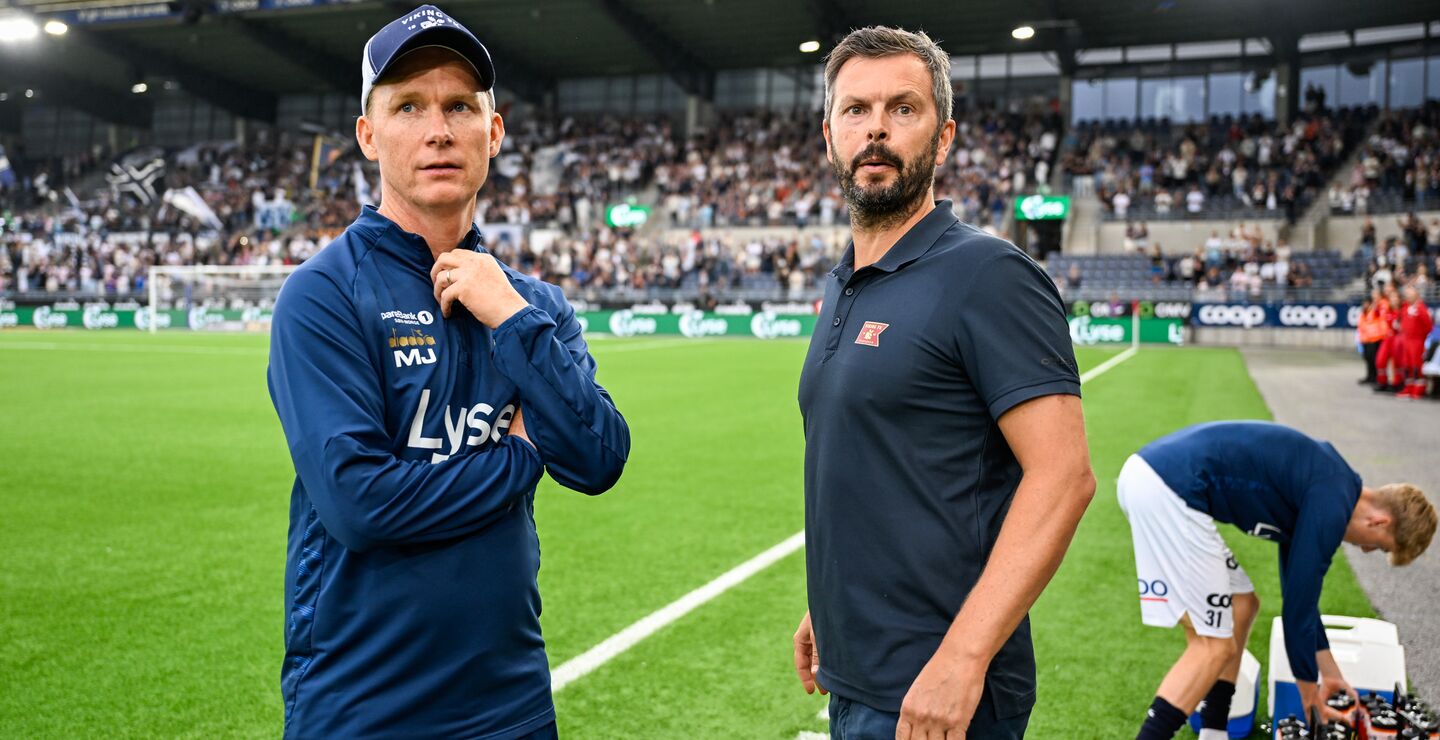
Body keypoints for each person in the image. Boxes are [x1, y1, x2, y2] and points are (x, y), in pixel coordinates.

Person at [266, 7, 630, 736]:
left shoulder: (534, 305)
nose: (438, 129)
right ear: (370, 136)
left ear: (492, 133)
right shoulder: (324, 293)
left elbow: (597, 457)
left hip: (512, 701)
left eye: (460, 106)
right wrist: (523, 454)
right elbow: (361, 505)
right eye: (408, 106)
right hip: (365, 704)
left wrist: (511, 318)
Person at [793, 26, 1095, 740]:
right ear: (828, 133)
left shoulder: (988, 275)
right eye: (856, 110)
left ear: (945, 134)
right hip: (857, 668)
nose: (876, 129)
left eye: (903, 109)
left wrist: (963, 658)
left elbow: (1064, 477)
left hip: (941, 688)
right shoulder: (845, 283)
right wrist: (831, 607)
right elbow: (882, 467)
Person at [1118, 421, 1435, 740]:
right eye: (1378, 545)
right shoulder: (1331, 503)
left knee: (1242, 604)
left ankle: (1214, 733)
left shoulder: (1330, 488)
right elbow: (1298, 613)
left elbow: (1300, 598)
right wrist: (1311, 699)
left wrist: (1330, 674)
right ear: (1380, 521)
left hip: (1158, 481)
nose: (1366, 550)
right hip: (1168, 489)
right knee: (1213, 647)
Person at [1396, 284, 1435, 399]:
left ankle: (1419, 387)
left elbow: (1428, 326)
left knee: (1416, 365)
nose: (1407, 294)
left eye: (1410, 292)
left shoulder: (1422, 308)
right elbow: (1400, 320)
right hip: (1406, 340)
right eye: (1406, 292)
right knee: (1407, 365)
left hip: (1417, 341)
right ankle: (1409, 386)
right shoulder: (1405, 307)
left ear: (1416, 293)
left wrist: (1421, 338)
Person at [1356, 294, 1387, 385]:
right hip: (1365, 339)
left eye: (1366, 303)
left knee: (1374, 359)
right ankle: (1370, 376)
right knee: (1368, 359)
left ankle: (1375, 377)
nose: (1364, 305)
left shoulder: (1375, 312)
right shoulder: (1363, 313)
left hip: (1374, 339)